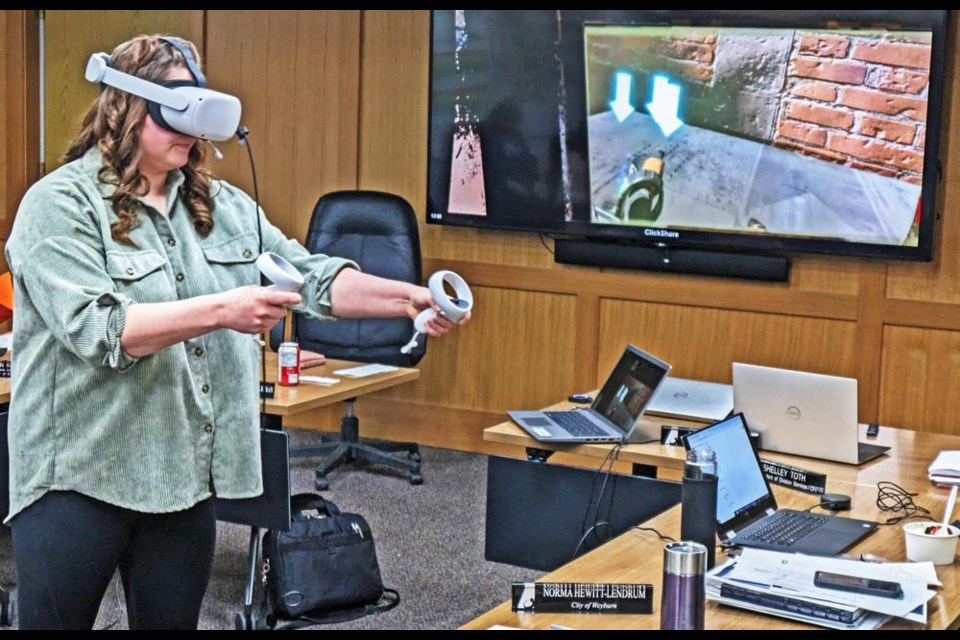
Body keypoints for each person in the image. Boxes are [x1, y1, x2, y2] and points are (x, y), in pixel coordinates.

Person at [3, 34, 468, 630]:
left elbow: (311, 279)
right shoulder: (58, 205)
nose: (192, 132)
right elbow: (102, 330)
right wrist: (222, 309)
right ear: (124, 109)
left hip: (179, 476)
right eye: (176, 113)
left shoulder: (219, 205)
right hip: (78, 476)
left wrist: (410, 298)